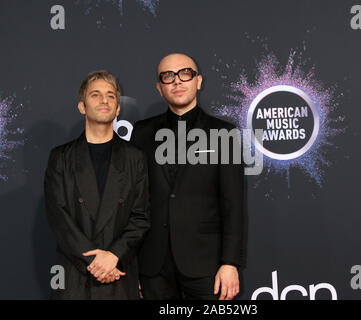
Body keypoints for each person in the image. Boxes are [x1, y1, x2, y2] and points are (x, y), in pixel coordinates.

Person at [132, 53, 244, 300]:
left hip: (207, 264)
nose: (177, 82)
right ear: (159, 88)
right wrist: (133, 267)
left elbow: (233, 203)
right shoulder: (140, 134)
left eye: (185, 74)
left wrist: (230, 262)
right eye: (168, 76)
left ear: (199, 81)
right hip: (153, 265)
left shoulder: (223, 133)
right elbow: (134, 203)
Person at [44, 70, 150, 299]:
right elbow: (59, 218)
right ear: (82, 106)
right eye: (96, 94)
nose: (104, 100)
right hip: (75, 277)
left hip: (119, 274)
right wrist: (94, 261)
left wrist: (113, 256)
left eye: (111, 96)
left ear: (118, 108)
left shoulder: (135, 157)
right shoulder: (61, 157)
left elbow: (140, 217)